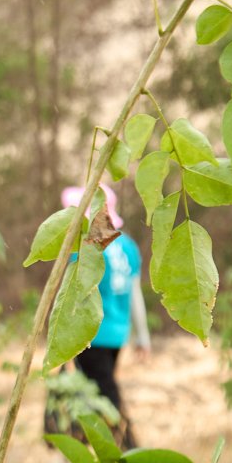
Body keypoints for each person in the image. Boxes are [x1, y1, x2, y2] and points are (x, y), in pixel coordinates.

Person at [62, 184, 151, 444]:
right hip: (118, 333)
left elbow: (73, 292)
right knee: (93, 391)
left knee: (102, 394)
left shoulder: (86, 246)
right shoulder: (128, 247)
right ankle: (87, 444)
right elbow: (135, 295)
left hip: (91, 334)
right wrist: (142, 335)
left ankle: (129, 448)